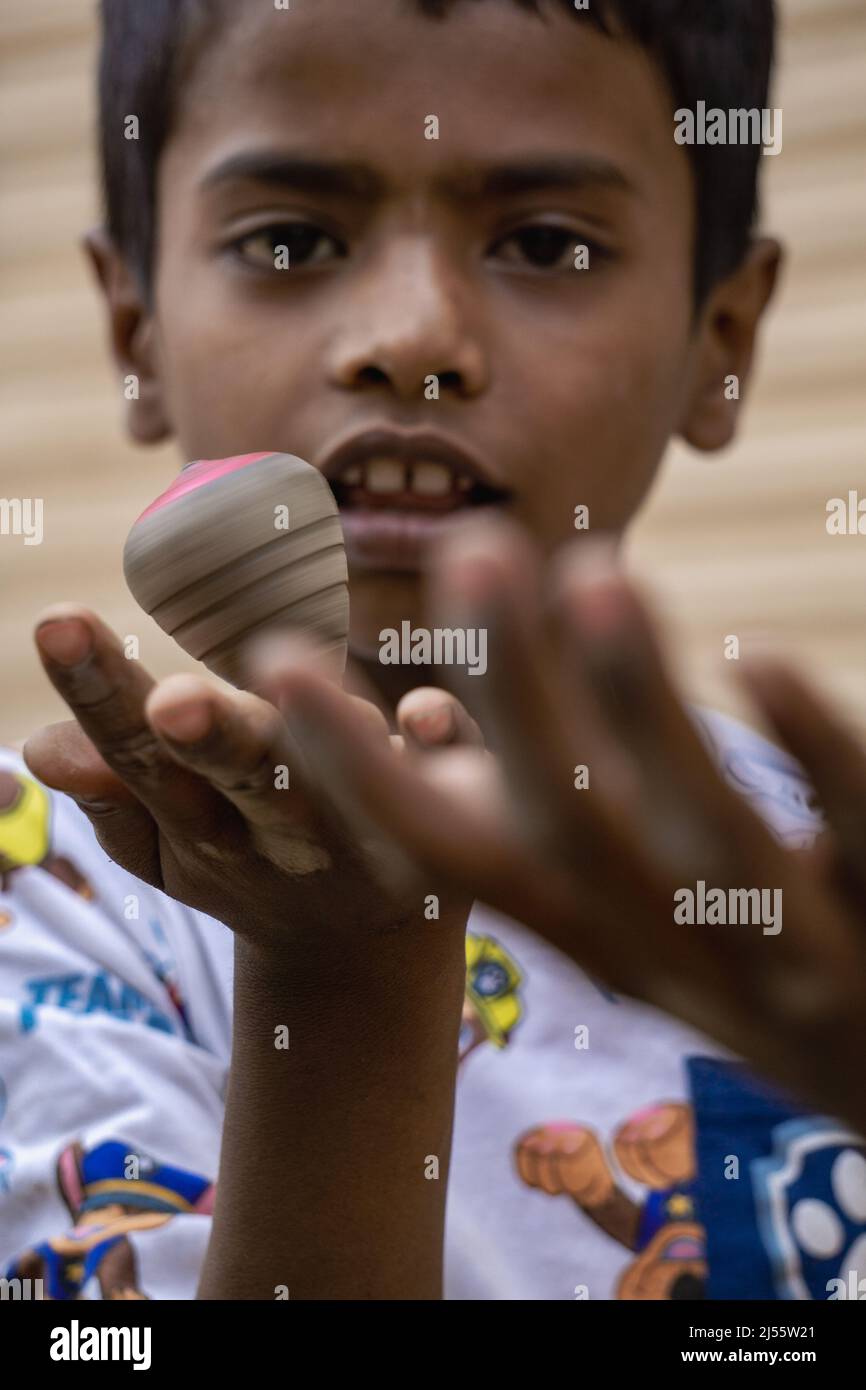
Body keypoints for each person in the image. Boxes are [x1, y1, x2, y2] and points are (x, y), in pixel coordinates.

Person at [2, 0, 863, 1301]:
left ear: (723, 345)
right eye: (288, 238)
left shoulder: (810, 896)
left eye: (546, 243)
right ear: (133, 329)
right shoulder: (50, 892)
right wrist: (341, 974)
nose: (408, 340)